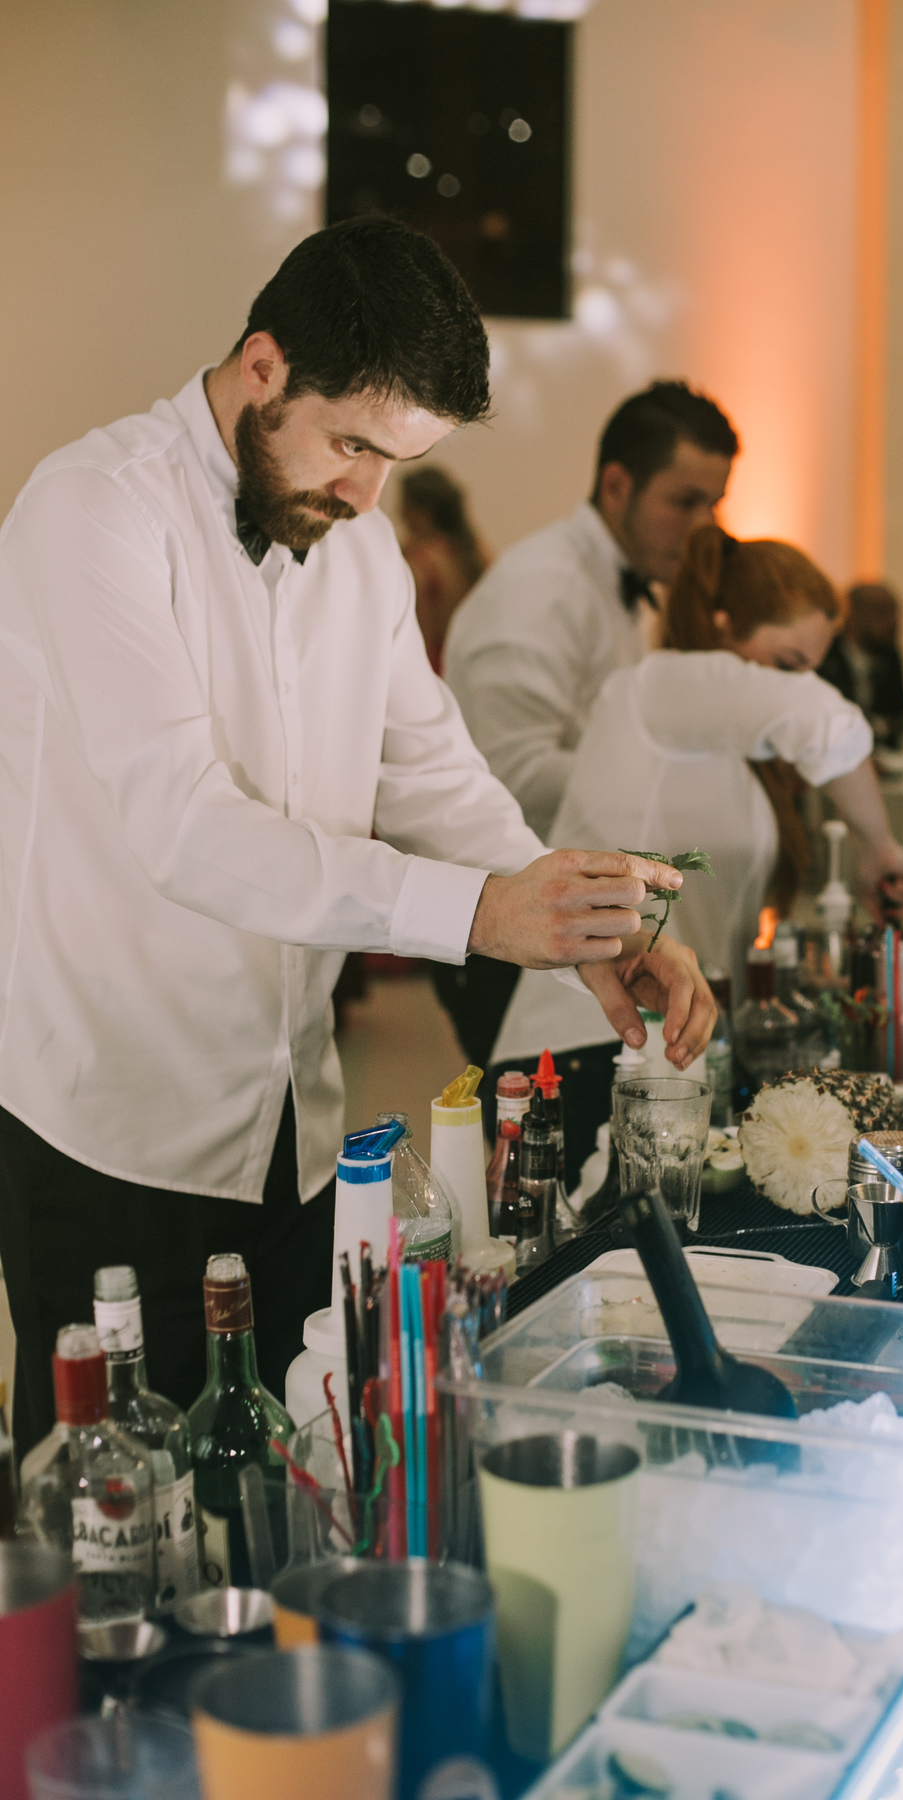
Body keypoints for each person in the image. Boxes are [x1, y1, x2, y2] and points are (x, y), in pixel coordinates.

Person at [0, 218, 714, 1459]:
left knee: (307, 1473)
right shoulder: (90, 509)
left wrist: (583, 921)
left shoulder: (361, 547)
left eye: (398, 461)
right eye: (354, 446)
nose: (367, 495)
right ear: (263, 366)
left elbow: (432, 774)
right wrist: (478, 914)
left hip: (296, 1120)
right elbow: (186, 828)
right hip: (114, 1119)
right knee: (125, 1505)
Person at [487, 525, 903, 1164]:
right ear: (723, 627)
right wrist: (878, 846)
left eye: (809, 668)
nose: (795, 684)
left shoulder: (722, 743)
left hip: (669, 1050)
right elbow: (824, 719)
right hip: (586, 1044)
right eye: (787, 665)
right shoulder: (654, 689)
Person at [438, 380, 739, 1067]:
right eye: (684, 501)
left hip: (571, 911)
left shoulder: (618, 586)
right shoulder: (542, 590)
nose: (703, 527)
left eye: (715, 504)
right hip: (498, 919)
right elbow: (510, 775)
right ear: (616, 486)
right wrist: (673, 778)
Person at [386, 463, 491, 674]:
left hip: (433, 673)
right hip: (473, 669)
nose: (400, 513)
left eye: (405, 505)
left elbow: (414, 644)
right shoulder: (475, 553)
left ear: (425, 512)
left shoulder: (419, 565)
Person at [817, 581, 903, 749]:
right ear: (852, 616)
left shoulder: (891, 657)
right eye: (882, 612)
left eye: (896, 612)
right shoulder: (825, 655)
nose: (894, 620)